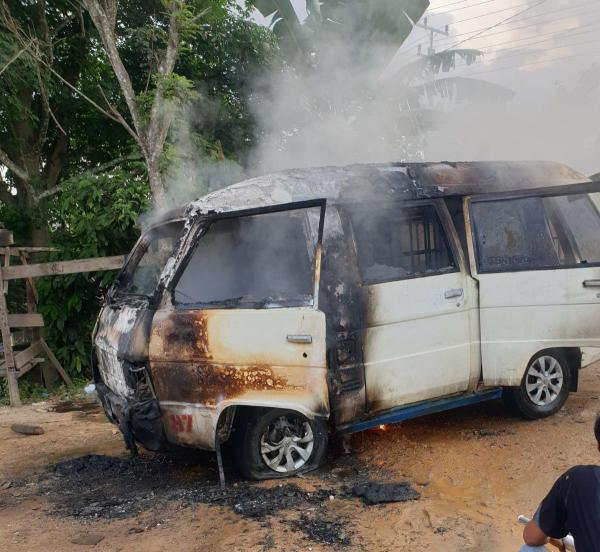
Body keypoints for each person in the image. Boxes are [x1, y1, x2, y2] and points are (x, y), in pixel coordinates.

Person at [519, 414, 600, 552]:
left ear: (598, 445)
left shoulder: (576, 480)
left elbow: (531, 537)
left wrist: (549, 534)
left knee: (529, 550)